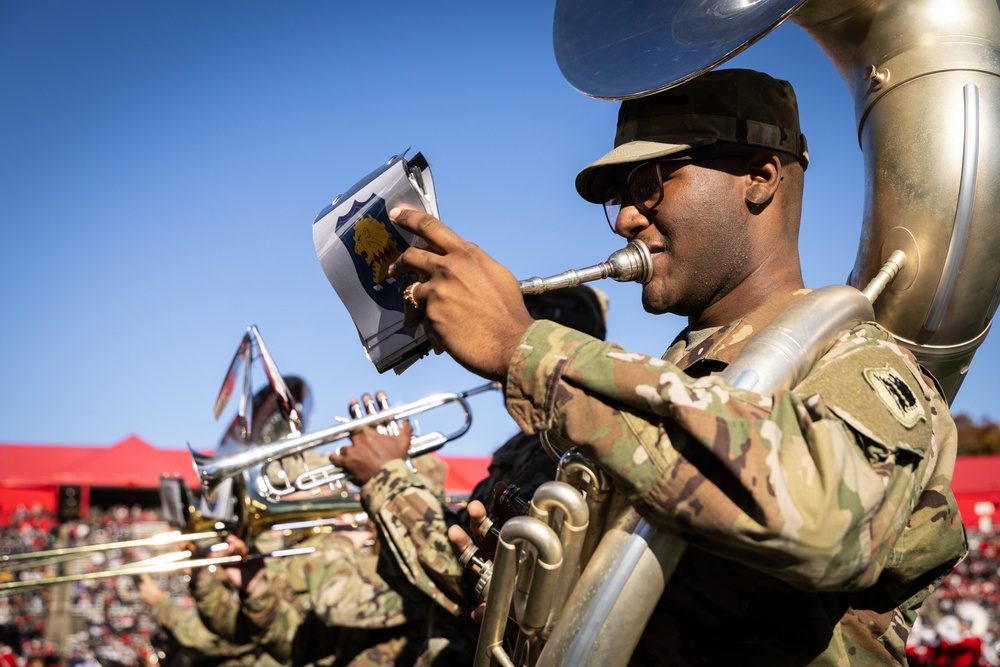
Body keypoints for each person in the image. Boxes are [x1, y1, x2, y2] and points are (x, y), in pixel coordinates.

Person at [345, 68, 968, 665]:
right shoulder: (657, 384)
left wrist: (522, 346)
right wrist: (525, 592)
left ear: (759, 175)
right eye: (619, 195)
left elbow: (826, 522)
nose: (624, 218)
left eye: (651, 184)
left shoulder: (860, 360)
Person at [329, 287, 609, 660]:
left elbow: (479, 580)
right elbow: (428, 574)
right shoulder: (520, 448)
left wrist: (387, 478)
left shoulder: (567, 451)